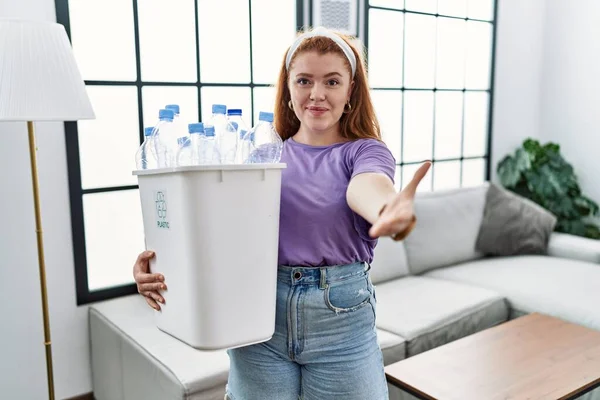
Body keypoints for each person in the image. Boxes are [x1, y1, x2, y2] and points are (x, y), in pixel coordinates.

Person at [133, 26, 431, 400]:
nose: (317, 94)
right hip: (257, 314)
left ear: (350, 91)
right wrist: (161, 263)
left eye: (332, 82)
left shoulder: (365, 152)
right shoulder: (261, 158)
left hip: (340, 320)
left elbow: (366, 188)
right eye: (304, 80)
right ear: (288, 89)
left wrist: (388, 208)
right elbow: (215, 231)